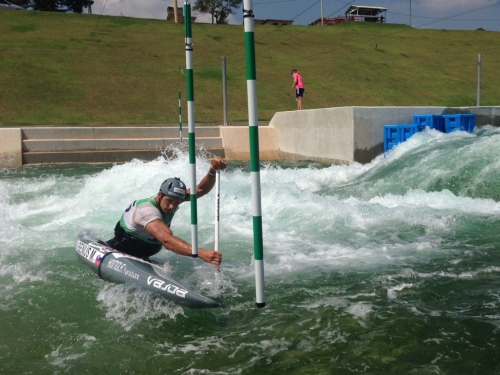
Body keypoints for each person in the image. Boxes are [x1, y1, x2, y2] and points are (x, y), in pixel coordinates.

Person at [105, 157, 226, 266]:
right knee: (166, 233)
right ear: (160, 195)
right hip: (123, 246)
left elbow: (200, 189)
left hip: (144, 250)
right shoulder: (147, 210)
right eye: (169, 201)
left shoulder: (174, 198)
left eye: (177, 202)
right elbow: (166, 240)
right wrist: (200, 253)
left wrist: (212, 170)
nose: (172, 206)